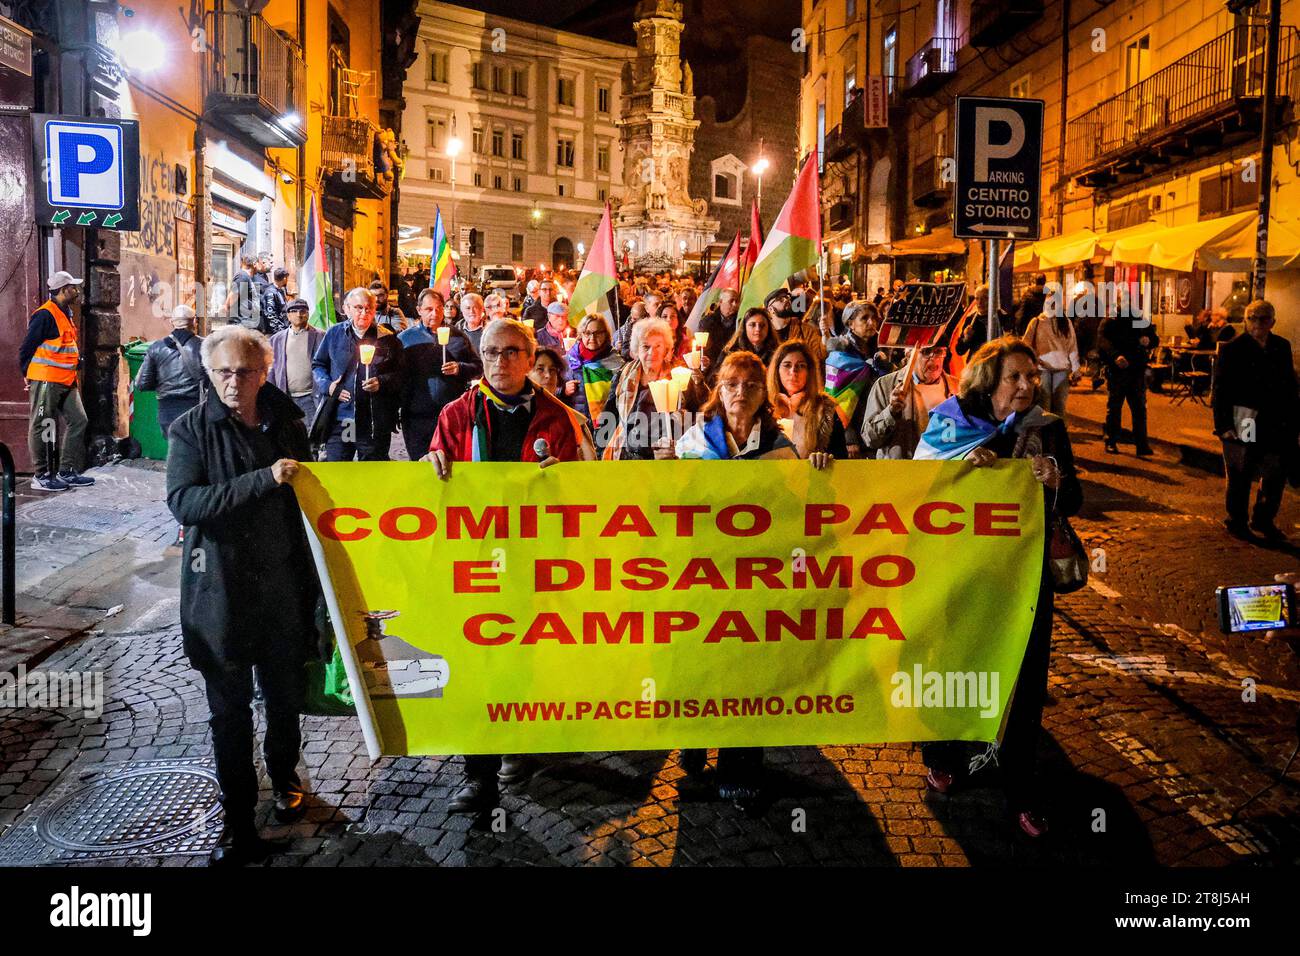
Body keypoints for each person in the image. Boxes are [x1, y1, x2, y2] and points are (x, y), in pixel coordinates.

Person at [913, 336, 1082, 839]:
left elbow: (1073, 499)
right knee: (953, 664)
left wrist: (1055, 480)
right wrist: (964, 472)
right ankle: (944, 757)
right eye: (1016, 377)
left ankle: (1022, 791)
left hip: (1024, 579)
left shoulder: (1048, 430)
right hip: (960, 572)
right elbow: (922, 488)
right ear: (990, 380)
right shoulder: (950, 422)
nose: (1028, 385)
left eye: (1032, 376)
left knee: (1024, 684)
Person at [166, 323, 320, 865]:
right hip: (221, 595)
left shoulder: (289, 421)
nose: (234, 381)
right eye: (223, 371)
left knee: (283, 699)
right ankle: (237, 818)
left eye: (246, 371)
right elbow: (185, 503)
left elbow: (314, 494)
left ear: (266, 371)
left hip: (281, 587)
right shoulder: (190, 429)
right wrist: (264, 479)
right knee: (229, 714)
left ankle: (285, 778)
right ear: (209, 373)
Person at [425, 319, 588, 812]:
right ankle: (478, 775)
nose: (501, 362)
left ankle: (518, 741)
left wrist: (565, 479)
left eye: (512, 352)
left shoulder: (558, 418)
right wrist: (430, 466)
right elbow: (433, 477)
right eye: (492, 352)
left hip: (531, 561)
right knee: (477, 660)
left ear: (530, 355)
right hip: (475, 561)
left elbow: (581, 491)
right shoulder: (456, 415)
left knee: (521, 656)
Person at [655, 351, 825, 812]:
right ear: (719, 391)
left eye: (752, 385)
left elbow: (800, 508)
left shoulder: (781, 446)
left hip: (754, 582)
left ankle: (740, 768)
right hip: (704, 578)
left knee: (748, 673)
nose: (741, 393)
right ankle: (695, 737)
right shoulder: (693, 442)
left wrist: (819, 472)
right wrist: (665, 472)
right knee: (704, 663)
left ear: (763, 395)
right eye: (732, 384)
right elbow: (670, 506)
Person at [1212, 299, 1299, 543]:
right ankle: (1236, 520)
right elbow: (1221, 389)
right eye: (1253, 318)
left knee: (1275, 474)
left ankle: (1263, 519)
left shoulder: (1281, 346)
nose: (1259, 323)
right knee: (1241, 472)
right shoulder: (1233, 349)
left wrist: (1294, 420)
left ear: (1273, 321)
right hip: (1245, 420)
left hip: (1276, 421)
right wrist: (1224, 426)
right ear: (1246, 321)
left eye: (1264, 318)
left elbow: (1289, 385)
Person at [19, 271, 92, 491]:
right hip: (47, 379)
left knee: (79, 420)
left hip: (66, 379)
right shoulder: (45, 315)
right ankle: (41, 475)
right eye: (73, 287)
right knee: (40, 425)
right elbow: (26, 348)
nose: (77, 291)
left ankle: (66, 471)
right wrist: (28, 375)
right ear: (62, 290)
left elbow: (63, 345)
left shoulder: (65, 312)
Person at [311, 287, 404, 461]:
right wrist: (328, 386)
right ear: (347, 309)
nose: (364, 312)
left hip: (372, 422)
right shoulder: (334, 334)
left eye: (369, 307)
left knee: (371, 472)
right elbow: (318, 365)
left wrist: (382, 382)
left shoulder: (387, 339)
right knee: (339, 469)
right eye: (358, 307)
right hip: (343, 419)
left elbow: (401, 374)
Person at [602, 318, 706, 460]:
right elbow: (610, 415)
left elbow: (698, 414)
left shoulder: (679, 376)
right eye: (646, 347)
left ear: (666, 349)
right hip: (630, 458)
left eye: (658, 346)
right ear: (636, 350)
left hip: (668, 459)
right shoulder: (624, 376)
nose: (652, 352)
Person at [398, 288, 480, 461]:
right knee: (422, 465)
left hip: (451, 416)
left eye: (439, 308)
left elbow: (477, 367)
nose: (434, 314)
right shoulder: (405, 339)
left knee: (449, 464)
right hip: (416, 417)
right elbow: (396, 378)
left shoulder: (458, 337)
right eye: (429, 309)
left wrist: (460, 368)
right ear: (419, 310)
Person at [860, 342, 957, 460]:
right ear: (909, 354)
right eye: (926, 352)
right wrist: (891, 413)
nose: (934, 358)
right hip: (904, 473)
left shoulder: (958, 389)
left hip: (945, 471)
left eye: (939, 352)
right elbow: (870, 439)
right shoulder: (886, 385)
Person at [824, 302, 892, 458]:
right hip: (849, 434)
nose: (871, 323)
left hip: (875, 427)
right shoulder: (839, 356)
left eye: (874, 318)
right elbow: (835, 400)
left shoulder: (876, 350)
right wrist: (849, 436)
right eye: (864, 318)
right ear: (850, 323)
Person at [134, 304, 205, 442]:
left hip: (167, 409)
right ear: (194, 321)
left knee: (176, 449)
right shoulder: (205, 346)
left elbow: (142, 383)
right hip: (196, 407)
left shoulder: (156, 348)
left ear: (172, 322)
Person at [767, 340, 848, 459]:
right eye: (787, 365)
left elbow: (840, 456)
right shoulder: (764, 406)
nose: (793, 371)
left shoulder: (825, 409)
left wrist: (826, 458)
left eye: (801, 366)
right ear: (777, 370)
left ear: (809, 372)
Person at [1098, 307, 1154, 456]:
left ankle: (1142, 444)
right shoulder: (1111, 320)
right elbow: (1103, 341)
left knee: (1139, 409)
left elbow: (1153, 337)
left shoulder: (1139, 319)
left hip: (1136, 371)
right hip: (1117, 372)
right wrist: (1115, 356)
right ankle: (1111, 441)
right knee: (1115, 408)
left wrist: (1149, 340)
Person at [564, 314, 624, 442]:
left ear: (606, 334)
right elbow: (552, 391)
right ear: (581, 334)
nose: (592, 338)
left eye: (598, 333)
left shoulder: (617, 363)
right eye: (587, 333)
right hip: (578, 423)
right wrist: (563, 390)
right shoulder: (569, 360)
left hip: (607, 424)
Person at [1022, 297, 1081, 416]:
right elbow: (1025, 344)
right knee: (1044, 405)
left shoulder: (1065, 322)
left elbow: (1072, 346)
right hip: (1042, 369)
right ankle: (1044, 433)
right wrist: (1035, 359)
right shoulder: (1036, 322)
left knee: (1059, 406)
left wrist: (1076, 368)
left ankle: (1057, 433)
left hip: (1062, 369)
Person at [269, 298, 325, 422]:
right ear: (288, 315)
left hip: (311, 398)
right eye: (294, 311)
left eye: (303, 310)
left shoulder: (321, 336)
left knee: (310, 436)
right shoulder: (276, 340)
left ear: (308, 314)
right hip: (285, 398)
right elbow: (271, 370)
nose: (299, 314)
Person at [698, 287, 739, 370]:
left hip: (732, 368)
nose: (735, 304)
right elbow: (703, 349)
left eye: (737, 301)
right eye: (731, 301)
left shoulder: (740, 323)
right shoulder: (707, 322)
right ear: (720, 302)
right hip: (711, 368)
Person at [223, 254, 260, 329]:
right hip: (240, 325)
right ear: (254, 264)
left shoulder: (246, 277)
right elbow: (231, 299)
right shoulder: (242, 276)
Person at [262, 268, 290, 335]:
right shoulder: (270, 293)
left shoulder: (280, 290)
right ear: (284, 279)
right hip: (275, 333)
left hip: (283, 329)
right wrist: (278, 331)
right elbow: (270, 314)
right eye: (287, 278)